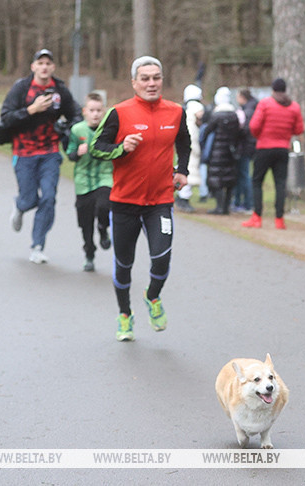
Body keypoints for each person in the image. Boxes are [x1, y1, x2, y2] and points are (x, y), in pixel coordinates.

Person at [90, 56, 190, 342]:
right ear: (134, 82)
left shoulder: (175, 111)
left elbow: (184, 141)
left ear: (162, 80)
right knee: (124, 263)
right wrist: (121, 148)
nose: (151, 83)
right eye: (145, 78)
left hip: (160, 200)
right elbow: (97, 148)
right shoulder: (118, 113)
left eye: (156, 77)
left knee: (162, 256)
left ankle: (152, 296)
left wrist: (182, 170)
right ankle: (125, 315)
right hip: (124, 203)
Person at [0, 48, 81, 264]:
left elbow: (76, 115)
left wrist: (66, 126)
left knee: (49, 198)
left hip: (50, 153)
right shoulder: (22, 88)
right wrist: (31, 110)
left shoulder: (60, 90)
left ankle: (37, 245)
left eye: (48, 63)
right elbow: (6, 117)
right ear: (33, 66)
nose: (44, 67)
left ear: (53, 67)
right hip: (23, 152)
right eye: (40, 63)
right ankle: (21, 205)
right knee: (30, 198)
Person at [241, 77, 304, 230]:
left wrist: (259, 136)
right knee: (280, 184)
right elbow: (299, 129)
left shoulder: (265, 104)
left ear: (273, 89)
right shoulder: (294, 107)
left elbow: (254, 126)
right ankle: (279, 219)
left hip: (264, 148)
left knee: (257, 181)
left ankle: (257, 217)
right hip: (283, 149)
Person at [65, 92, 112, 272]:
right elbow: (69, 154)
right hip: (83, 181)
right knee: (85, 224)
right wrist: (77, 152)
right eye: (92, 110)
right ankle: (89, 253)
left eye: (99, 110)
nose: (95, 114)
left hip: (105, 177)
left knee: (103, 206)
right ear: (85, 111)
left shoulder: (110, 129)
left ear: (104, 111)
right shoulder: (77, 130)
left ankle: (103, 229)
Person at [201, 86, 242, 214]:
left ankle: (219, 206)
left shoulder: (216, 115)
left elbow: (206, 131)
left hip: (217, 153)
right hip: (230, 152)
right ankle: (226, 207)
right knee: (229, 179)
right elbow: (238, 134)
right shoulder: (234, 115)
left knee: (217, 179)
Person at [174, 83, 203, 213]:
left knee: (183, 167)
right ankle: (183, 197)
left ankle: (181, 195)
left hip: (186, 143)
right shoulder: (196, 107)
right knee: (188, 170)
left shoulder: (185, 108)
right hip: (193, 143)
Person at [233, 89, 258, 213]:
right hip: (250, 146)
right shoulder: (254, 109)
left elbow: (245, 130)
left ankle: (248, 203)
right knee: (244, 174)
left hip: (245, 147)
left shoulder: (247, 112)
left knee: (244, 174)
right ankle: (242, 201)